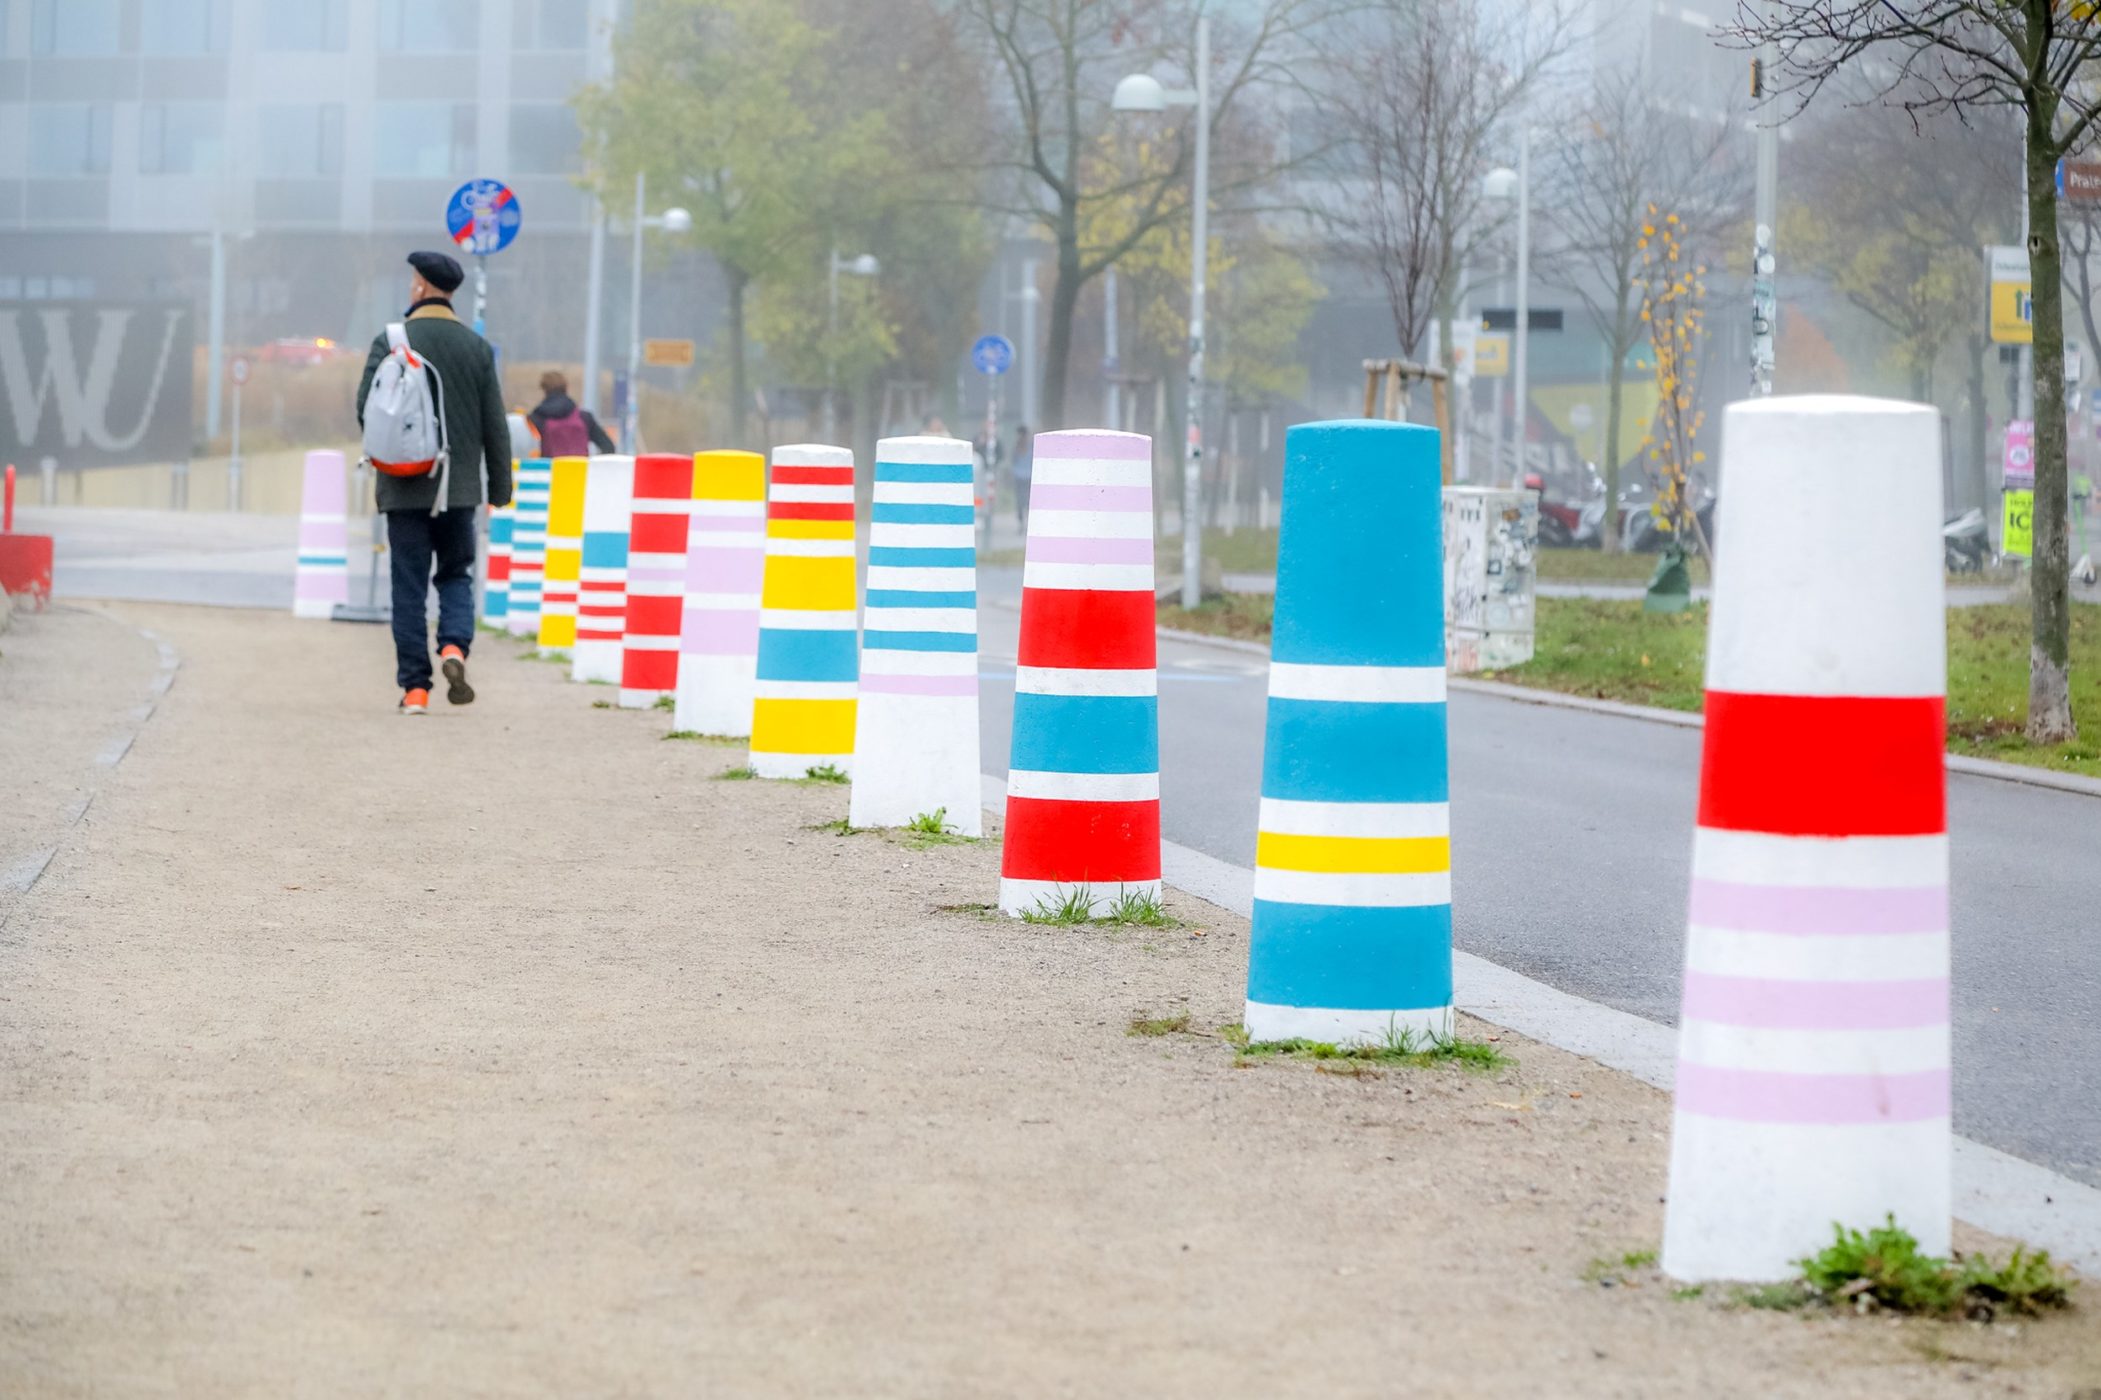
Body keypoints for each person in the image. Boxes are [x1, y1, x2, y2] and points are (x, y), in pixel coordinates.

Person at [355, 250, 513, 715]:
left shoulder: (391, 341)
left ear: (422, 286)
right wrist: (499, 487)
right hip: (459, 490)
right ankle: (453, 649)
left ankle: (415, 690)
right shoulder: (476, 348)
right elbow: (494, 426)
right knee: (455, 575)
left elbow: (365, 411)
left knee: (408, 588)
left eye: (412, 281)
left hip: (403, 488)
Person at [527, 369, 616, 456]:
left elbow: (525, 450)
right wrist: (592, 465)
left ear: (544, 390)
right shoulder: (584, 417)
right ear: (566, 388)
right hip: (580, 470)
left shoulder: (536, 419)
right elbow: (608, 446)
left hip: (551, 470)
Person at [1011, 423, 1034, 533]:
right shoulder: (1025, 446)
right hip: (1026, 476)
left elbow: (1013, 461)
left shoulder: (1018, 446)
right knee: (1024, 501)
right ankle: (1024, 524)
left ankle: (1024, 524)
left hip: (1022, 476)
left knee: (1022, 501)